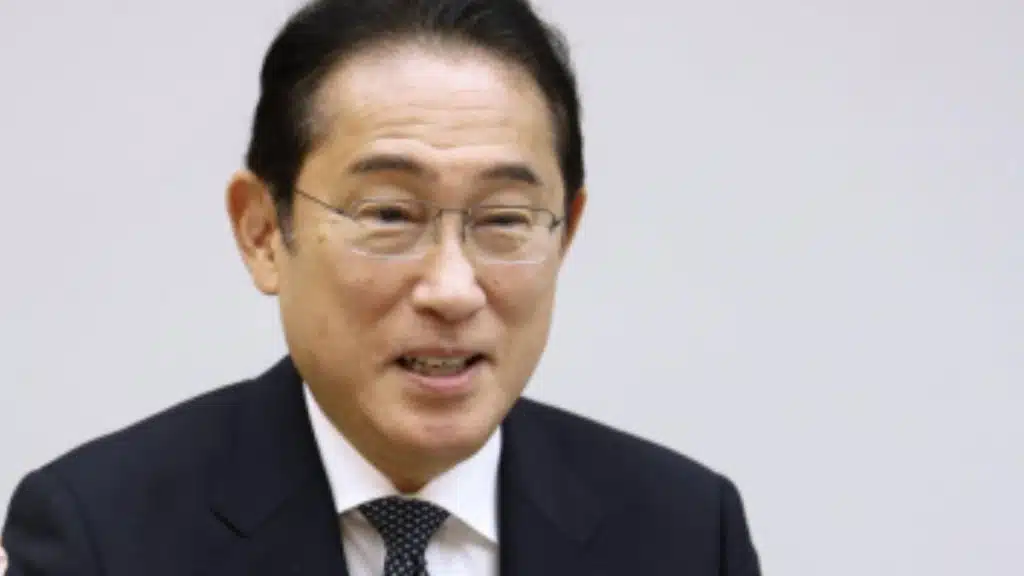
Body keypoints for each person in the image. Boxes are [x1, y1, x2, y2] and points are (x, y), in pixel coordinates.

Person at [1, 0, 762, 574]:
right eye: (390, 214)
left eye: (504, 219)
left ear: (566, 234)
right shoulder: (102, 538)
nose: (452, 289)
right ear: (263, 232)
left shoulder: (689, 534)